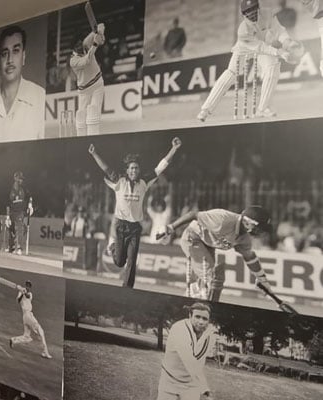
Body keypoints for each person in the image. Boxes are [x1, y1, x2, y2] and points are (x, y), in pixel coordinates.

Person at [88, 137, 181, 288]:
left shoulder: (144, 181)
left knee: (131, 261)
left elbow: (160, 167)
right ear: (127, 170)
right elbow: (105, 168)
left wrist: (174, 149)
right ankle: (112, 246)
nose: (134, 170)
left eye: (136, 168)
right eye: (131, 168)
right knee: (119, 262)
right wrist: (94, 154)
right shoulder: (119, 181)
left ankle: (127, 288)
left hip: (135, 228)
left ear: (139, 170)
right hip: (120, 226)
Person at [197, 0, 301, 121]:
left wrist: (288, 42)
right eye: (248, 12)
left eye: (253, 9)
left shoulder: (267, 14)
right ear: (243, 15)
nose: (251, 14)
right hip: (245, 48)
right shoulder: (243, 30)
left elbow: (279, 30)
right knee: (230, 74)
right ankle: (205, 109)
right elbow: (260, 48)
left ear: (258, 8)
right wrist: (279, 52)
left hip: (264, 44)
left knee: (273, 67)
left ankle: (263, 108)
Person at [158, 206, 275, 302]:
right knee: (211, 279)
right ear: (247, 222)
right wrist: (170, 227)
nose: (261, 232)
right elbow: (193, 214)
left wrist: (262, 279)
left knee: (208, 284)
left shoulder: (244, 239)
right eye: (259, 228)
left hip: (208, 246)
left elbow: (249, 257)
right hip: (193, 237)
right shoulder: (223, 219)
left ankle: (184, 303)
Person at [0, 25, 45, 144]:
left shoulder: (40, 98)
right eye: (4, 53)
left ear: (23, 57)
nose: (10, 60)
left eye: (15, 51)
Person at [157, 302, 216, 400]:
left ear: (209, 320)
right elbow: (189, 361)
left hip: (191, 382)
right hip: (170, 378)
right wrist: (205, 390)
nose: (201, 322)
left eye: (205, 319)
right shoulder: (179, 329)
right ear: (190, 316)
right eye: (197, 317)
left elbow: (201, 359)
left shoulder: (210, 335)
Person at [70, 23, 106, 135]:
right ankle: (81, 140)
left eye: (81, 43)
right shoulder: (73, 61)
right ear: (74, 48)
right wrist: (95, 44)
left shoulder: (85, 43)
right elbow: (87, 61)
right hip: (84, 91)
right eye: (77, 45)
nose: (81, 47)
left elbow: (101, 26)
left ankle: (94, 139)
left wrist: (99, 33)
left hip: (98, 84)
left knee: (94, 113)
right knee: (81, 116)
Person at [9, 280, 51, 359]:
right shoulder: (20, 292)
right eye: (27, 285)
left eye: (29, 285)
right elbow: (18, 301)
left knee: (27, 337)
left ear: (30, 287)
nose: (28, 286)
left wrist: (24, 292)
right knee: (41, 331)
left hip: (27, 316)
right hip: (27, 315)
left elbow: (28, 296)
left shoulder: (30, 294)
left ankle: (13, 340)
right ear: (25, 285)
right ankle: (45, 352)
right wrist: (21, 292)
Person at [5, 171, 33, 255]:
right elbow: (7, 204)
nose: (21, 180)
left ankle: (19, 247)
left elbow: (30, 196)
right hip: (12, 212)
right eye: (19, 178)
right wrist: (7, 217)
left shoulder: (24, 188)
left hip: (20, 212)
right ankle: (11, 246)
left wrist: (30, 205)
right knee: (11, 229)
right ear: (15, 178)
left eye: (22, 179)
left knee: (20, 228)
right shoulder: (9, 189)